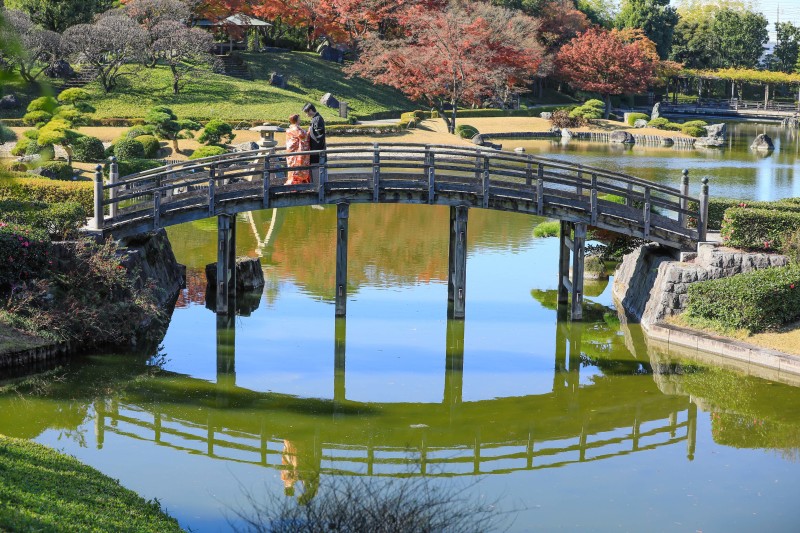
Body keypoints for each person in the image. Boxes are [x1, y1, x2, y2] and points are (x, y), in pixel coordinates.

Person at [285, 114, 310, 185]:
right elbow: (303, 137)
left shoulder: (290, 129)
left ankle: (293, 183)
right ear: (296, 120)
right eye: (299, 119)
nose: (300, 120)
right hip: (296, 151)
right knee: (297, 168)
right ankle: (295, 184)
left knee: (292, 167)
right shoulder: (296, 129)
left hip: (290, 150)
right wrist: (309, 132)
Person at [302, 103, 326, 181]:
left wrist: (309, 132)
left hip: (317, 151)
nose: (307, 115)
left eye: (307, 112)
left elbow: (319, 135)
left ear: (311, 110)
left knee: (317, 172)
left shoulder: (317, 119)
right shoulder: (316, 118)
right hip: (316, 150)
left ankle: (319, 188)